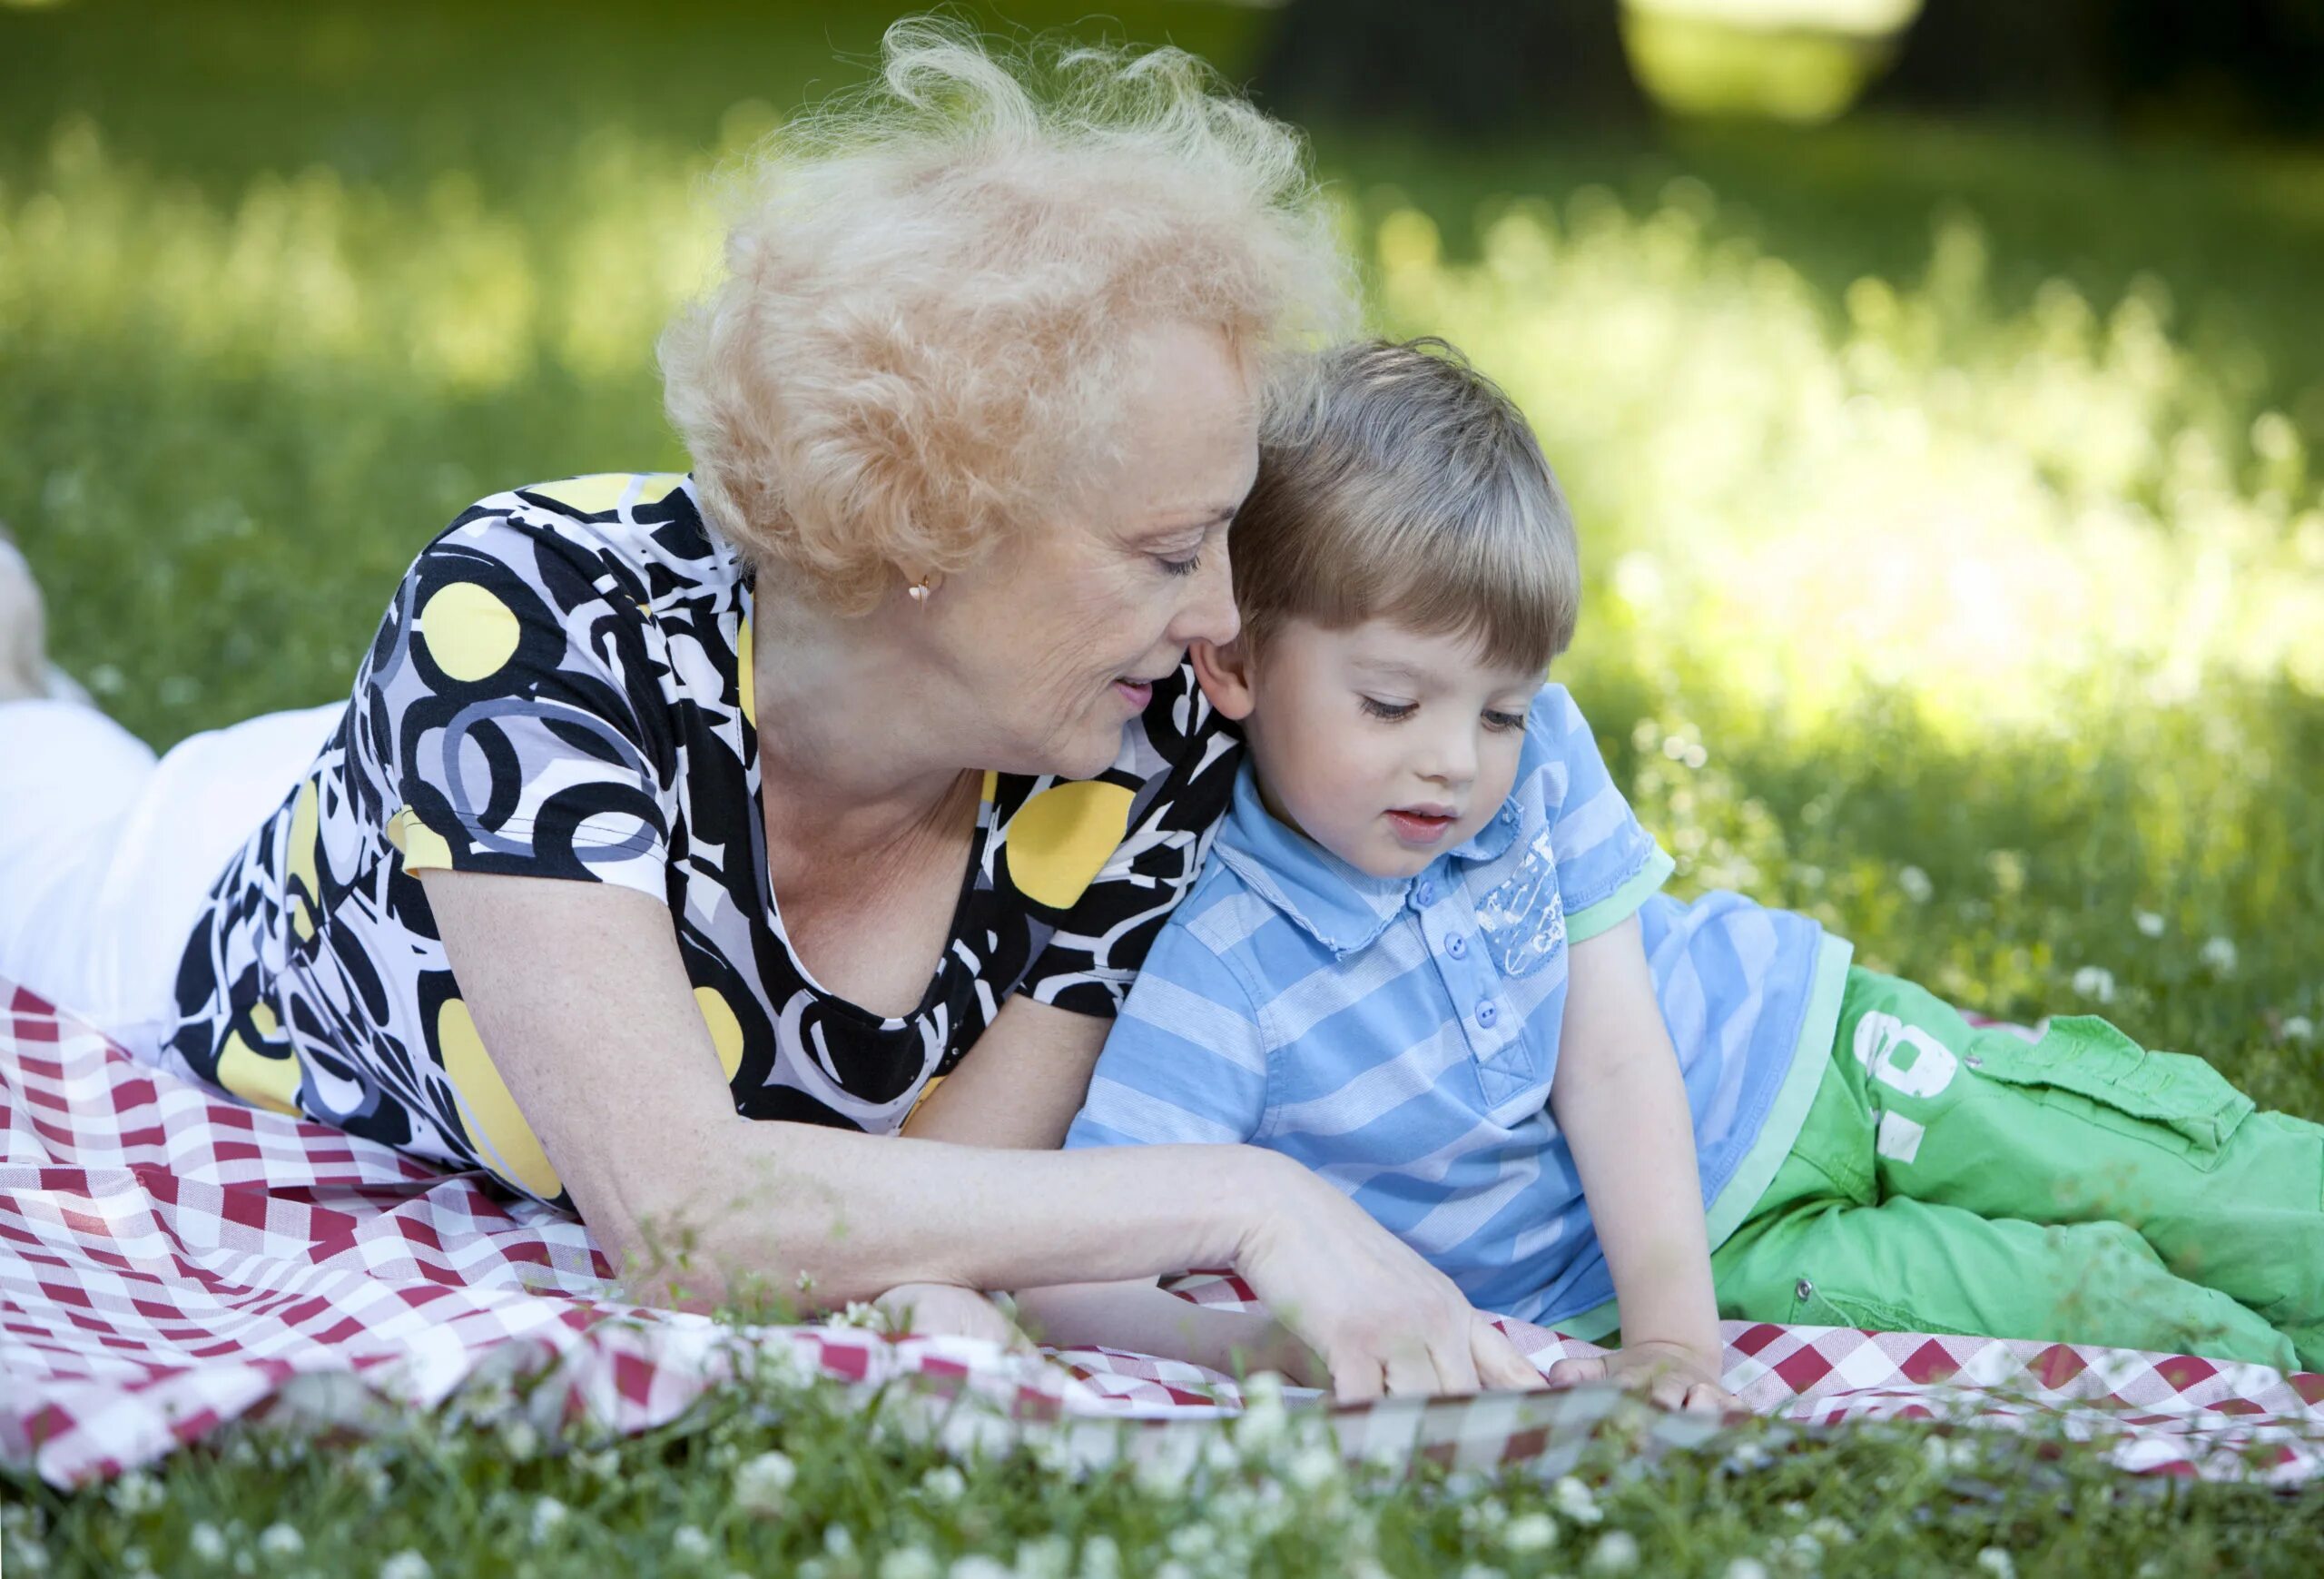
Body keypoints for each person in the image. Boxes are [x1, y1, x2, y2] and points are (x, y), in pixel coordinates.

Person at [0, 25, 1550, 1403]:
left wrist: (1260, 1345)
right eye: (1162, 553)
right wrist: (1251, 1201)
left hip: (483, 845)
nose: (1221, 618)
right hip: (159, 888)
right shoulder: (532, 613)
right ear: (931, 524)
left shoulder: (1136, 737)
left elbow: (939, 1217)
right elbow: (684, 1220)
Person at [1027, 339, 2324, 1409]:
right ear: (1237, 666)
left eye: (1500, 711)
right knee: (2111, 1324)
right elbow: (1080, 1259)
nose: (1454, 766)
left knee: (2174, 1167)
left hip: (1817, 1066)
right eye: (1390, 701)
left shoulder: (1540, 765)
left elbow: (1611, 1051)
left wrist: (1675, 1345)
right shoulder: (1220, 967)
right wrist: (1261, 1352)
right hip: (1682, 1265)